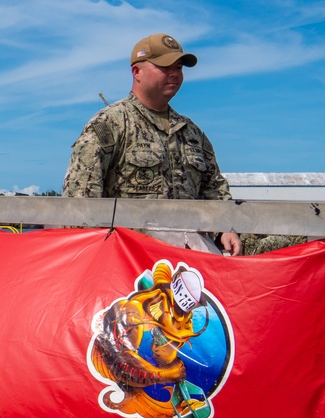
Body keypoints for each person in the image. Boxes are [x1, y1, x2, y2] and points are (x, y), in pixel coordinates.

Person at [62, 33, 242, 256]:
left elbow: (214, 189)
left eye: (179, 68)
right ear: (136, 72)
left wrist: (225, 229)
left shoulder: (192, 133)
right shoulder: (110, 125)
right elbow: (80, 204)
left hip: (189, 265)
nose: (174, 74)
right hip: (130, 262)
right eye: (165, 67)